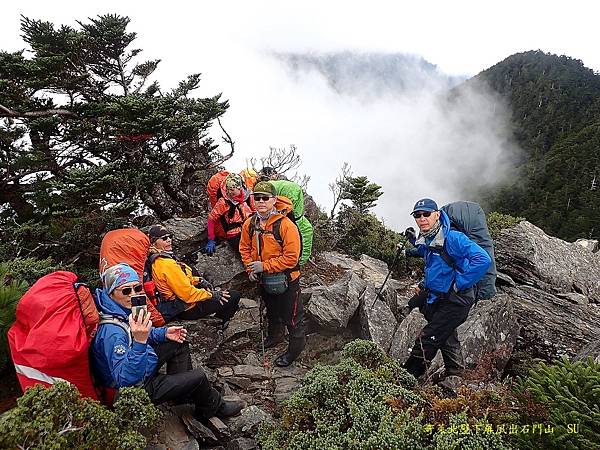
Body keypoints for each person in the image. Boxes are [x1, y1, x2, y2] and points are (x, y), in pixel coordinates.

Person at [92, 263, 244, 420]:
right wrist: (140, 343)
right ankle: (212, 409)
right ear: (111, 294)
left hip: (140, 367)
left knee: (178, 341)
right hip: (132, 391)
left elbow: (136, 332)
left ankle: (182, 395)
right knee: (199, 377)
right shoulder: (112, 333)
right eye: (125, 290)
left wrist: (163, 333)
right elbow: (126, 381)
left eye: (137, 288)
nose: (133, 294)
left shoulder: (118, 311)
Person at [401, 198, 491, 381]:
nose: (422, 218)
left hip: (457, 299)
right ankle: (456, 374)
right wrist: (409, 247)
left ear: (437, 215)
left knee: (428, 339)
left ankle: (406, 380)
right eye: (417, 215)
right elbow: (423, 249)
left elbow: (483, 259)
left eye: (426, 214)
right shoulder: (431, 237)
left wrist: (460, 283)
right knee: (446, 334)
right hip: (439, 297)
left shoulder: (453, 238)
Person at [239, 181, 305, 367]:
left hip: (287, 280)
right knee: (272, 310)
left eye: (265, 198)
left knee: (292, 316)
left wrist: (264, 266)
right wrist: (250, 268)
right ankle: (275, 337)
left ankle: (295, 349)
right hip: (264, 280)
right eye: (256, 198)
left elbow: (292, 258)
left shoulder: (286, 225)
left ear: (274, 200)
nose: (260, 201)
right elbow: (244, 247)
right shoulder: (250, 223)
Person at [147, 225, 241, 324]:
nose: (169, 240)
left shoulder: (157, 259)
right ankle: (220, 323)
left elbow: (178, 281)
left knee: (193, 270)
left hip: (177, 305)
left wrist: (198, 280)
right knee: (234, 296)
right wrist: (211, 295)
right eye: (164, 238)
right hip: (187, 308)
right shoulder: (167, 265)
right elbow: (187, 294)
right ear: (154, 242)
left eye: (170, 236)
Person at [204, 173, 254, 256]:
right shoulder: (223, 202)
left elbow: (256, 211)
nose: (230, 193)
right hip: (234, 232)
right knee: (246, 252)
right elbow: (211, 219)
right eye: (228, 190)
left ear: (240, 188)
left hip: (250, 227)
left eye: (232, 190)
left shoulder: (248, 196)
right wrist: (211, 239)